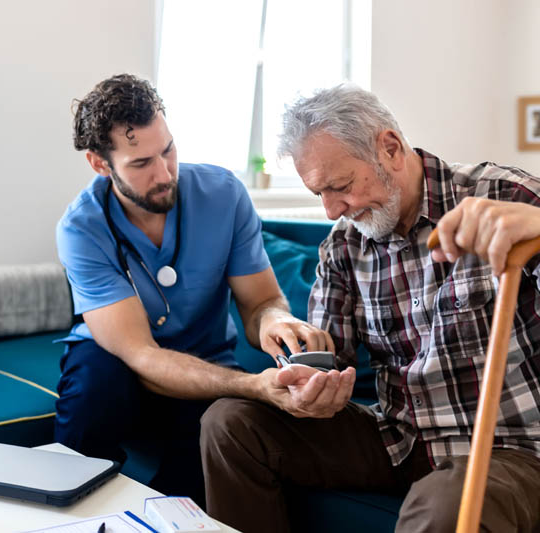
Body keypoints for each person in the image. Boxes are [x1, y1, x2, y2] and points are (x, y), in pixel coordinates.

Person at [200, 84, 540, 533]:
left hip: (511, 450)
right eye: (319, 194)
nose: (330, 211)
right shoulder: (343, 245)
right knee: (229, 423)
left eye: (339, 187)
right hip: (398, 438)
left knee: (445, 505)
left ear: (390, 149)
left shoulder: (505, 197)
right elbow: (328, 358)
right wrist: (309, 385)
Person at [54, 74, 350, 503]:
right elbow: (141, 355)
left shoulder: (223, 195)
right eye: (141, 163)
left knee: (202, 472)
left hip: (204, 363)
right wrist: (252, 385)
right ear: (100, 164)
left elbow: (262, 302)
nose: (164, 174)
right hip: (118, 366)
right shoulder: (81, 228)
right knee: (92, 397)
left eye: (168, 150)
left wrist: (277, 321)